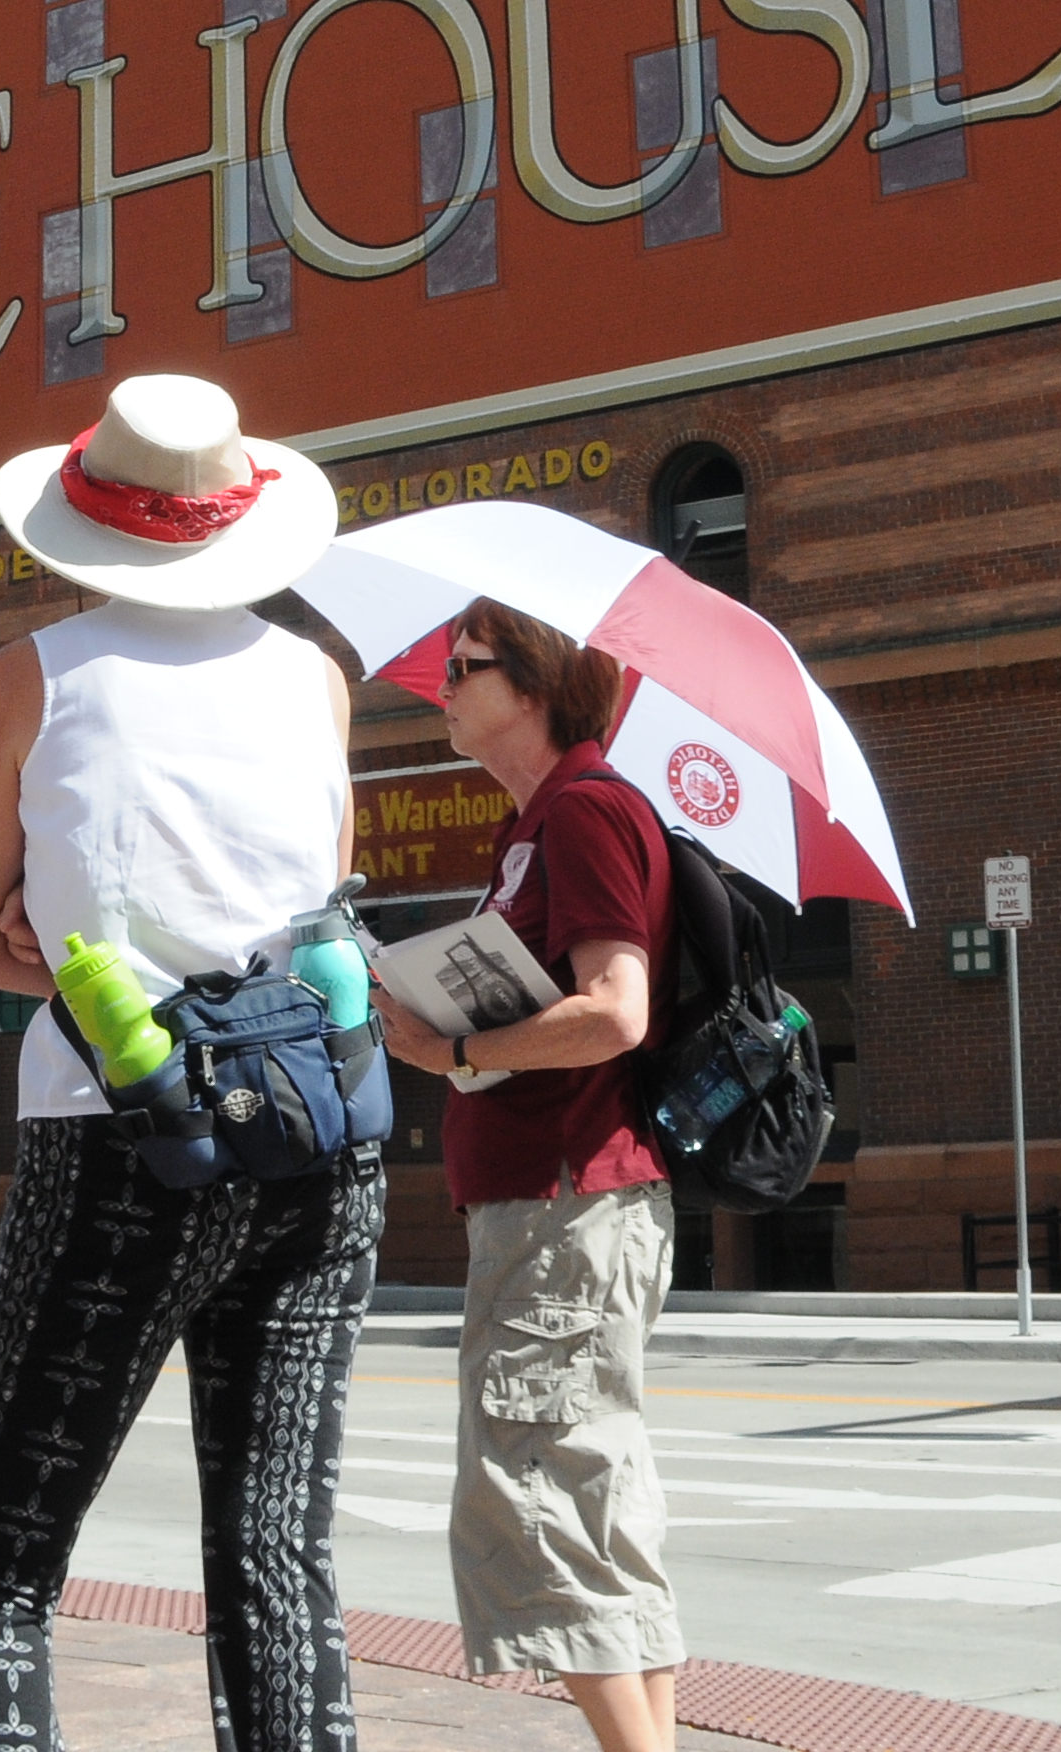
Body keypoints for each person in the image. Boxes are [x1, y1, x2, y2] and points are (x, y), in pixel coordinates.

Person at [0, 373, 372, 1752]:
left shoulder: (35, 673)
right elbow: (314, 912)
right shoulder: (317, 679)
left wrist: (56, 940)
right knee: (276, 1559)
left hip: (117, 1133)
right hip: (314, 1131)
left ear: (84, 526)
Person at [368, 601, 683, 1752]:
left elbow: (615, 1010)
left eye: (464, 666)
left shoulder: (586, 808)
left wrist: (452, 1049)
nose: (441, 685)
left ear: (538, 680)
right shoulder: (534, 824)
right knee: (591, 1501)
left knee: (538, 1495)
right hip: (557, 1205)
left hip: (566, 1205)